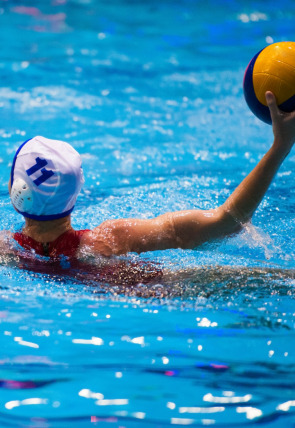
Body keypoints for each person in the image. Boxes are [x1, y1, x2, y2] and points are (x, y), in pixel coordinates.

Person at [7, 92, 295, 260]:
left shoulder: (7, 253)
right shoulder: (113, 240)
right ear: (77, 188)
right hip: (162, 292)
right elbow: (228, 220)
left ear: (16, 190)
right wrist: (280, 146)